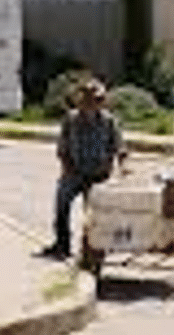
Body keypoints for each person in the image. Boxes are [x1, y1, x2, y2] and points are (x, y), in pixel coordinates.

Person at [37, 77, 125, 260]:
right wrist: (67, 168)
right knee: (61, 205)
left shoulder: (109, 121)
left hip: (99, 174)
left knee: (94, 214)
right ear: (81, 102)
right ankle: (62, 244)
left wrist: (122, 165)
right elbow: (62, 148)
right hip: (74, 172)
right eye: (89, 101)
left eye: (97, 101)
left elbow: (119, 147)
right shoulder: (71, 120)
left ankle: (94, 249)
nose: (93, 105)